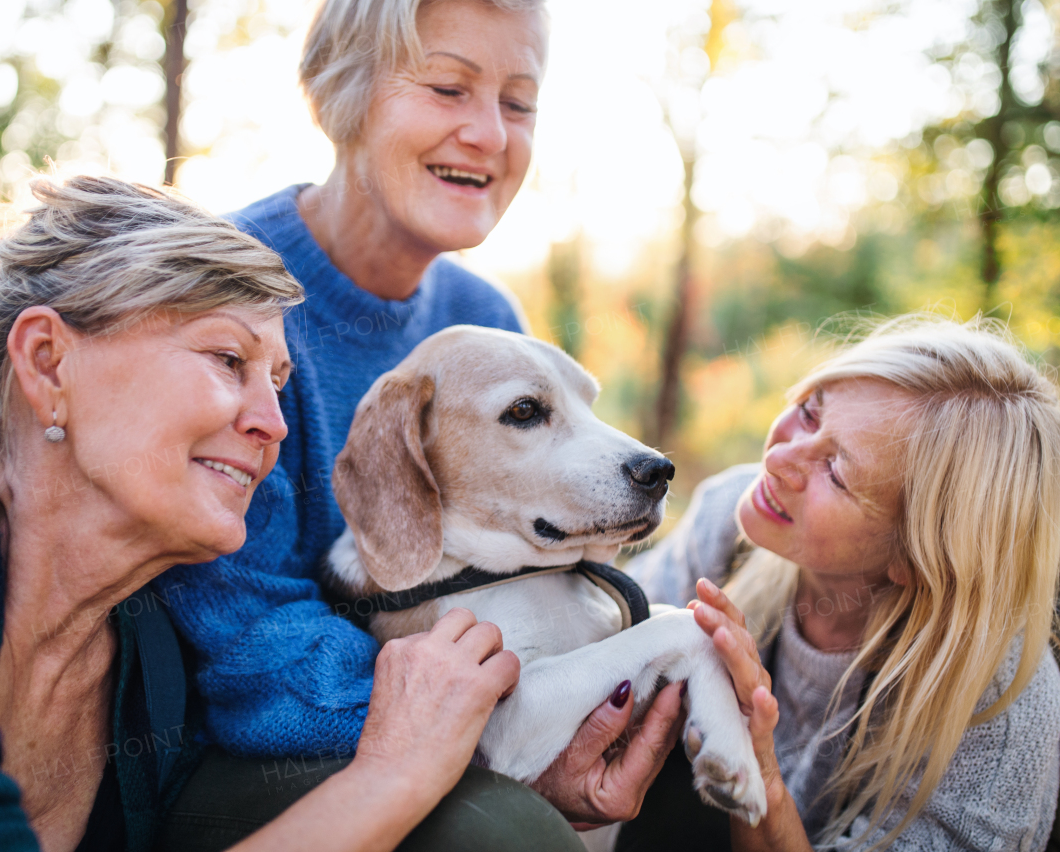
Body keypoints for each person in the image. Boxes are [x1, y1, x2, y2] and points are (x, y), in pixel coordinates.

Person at [0, 175, 542, 852]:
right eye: (228, 358)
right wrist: (393, 776)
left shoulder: (158, 678)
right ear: (49, 363)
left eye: (278, 382)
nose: (275, 425)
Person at [155, 0, 681, 835]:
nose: (489, 135)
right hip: (259, 753)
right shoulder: (229, 307)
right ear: (342, 95)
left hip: (478, 698)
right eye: (447, 88)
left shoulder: (485, 318)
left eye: (518, 103)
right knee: (503, 832)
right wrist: (505, 713)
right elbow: (244, 649)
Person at [622, 316, 1060, 851]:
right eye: (809, 412)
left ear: (917, 558)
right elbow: (596, 636)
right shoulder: (728, 522)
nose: (775, 459)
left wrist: (758, 779)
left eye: (836, 473)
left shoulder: (998, 709)